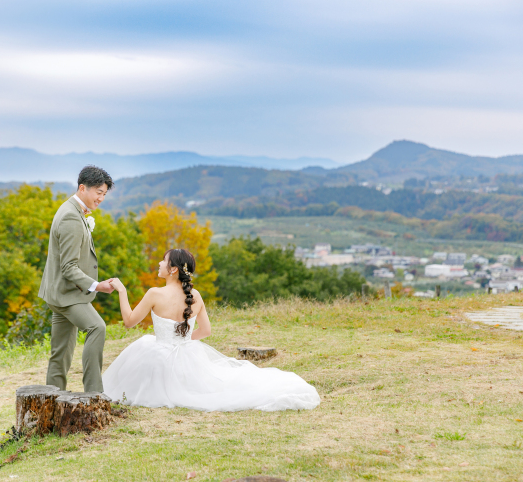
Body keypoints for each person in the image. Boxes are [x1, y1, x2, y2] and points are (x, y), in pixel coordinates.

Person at [103, 249, 320, 411]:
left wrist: (122, 290)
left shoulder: (154, 293)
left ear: (173, 269)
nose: (159, 263)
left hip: (158, 356)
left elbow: (129, 321)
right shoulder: (195, 296)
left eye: (163, 260)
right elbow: (205, 331)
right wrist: (183, 343)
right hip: (186, 357)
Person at [38, 165, 116, 393]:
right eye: (98, 192)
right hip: (68, 294)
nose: (101, 198)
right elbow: (69, 267)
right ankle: (93, 393)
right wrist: (97, 286)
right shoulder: (71, 217)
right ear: (82, 188)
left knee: (60, 352)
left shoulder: (71, 209)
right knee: (97, 328)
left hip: (57, 292)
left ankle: (51, 399)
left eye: (104, 194)